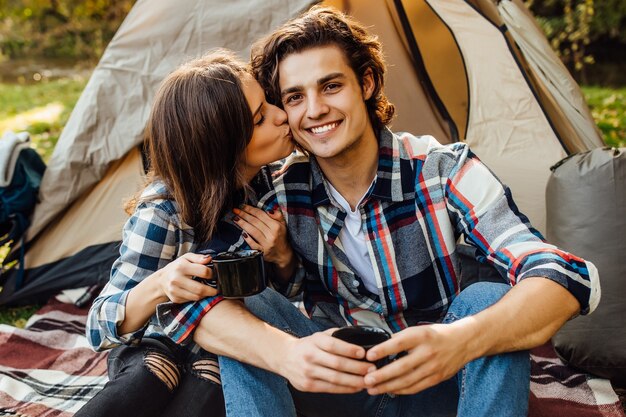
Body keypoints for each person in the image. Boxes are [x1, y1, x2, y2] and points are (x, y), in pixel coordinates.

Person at [157, 7, 601, 417]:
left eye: (331, 86)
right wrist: (285, 353)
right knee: (242, 298)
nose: (315, 111)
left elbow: (564, 276)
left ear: (366, 83)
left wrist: (458, 340)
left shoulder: (442, 170)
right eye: (294, 97)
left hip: (438, 381)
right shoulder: (274, 189)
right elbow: (189, 302)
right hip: (334, 383)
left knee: (485, 300)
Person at [76, 50, 297, 417]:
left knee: (212, 381)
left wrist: (282, 256)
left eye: (270, 103)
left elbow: (290, 302)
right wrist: (161, 283)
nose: (281, 115)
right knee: (153, 374)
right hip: (154, 344)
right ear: (222, 147)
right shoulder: (164, 214)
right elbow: (99, 326)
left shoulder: (273, 188)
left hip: (225, 346)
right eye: (260, 119)